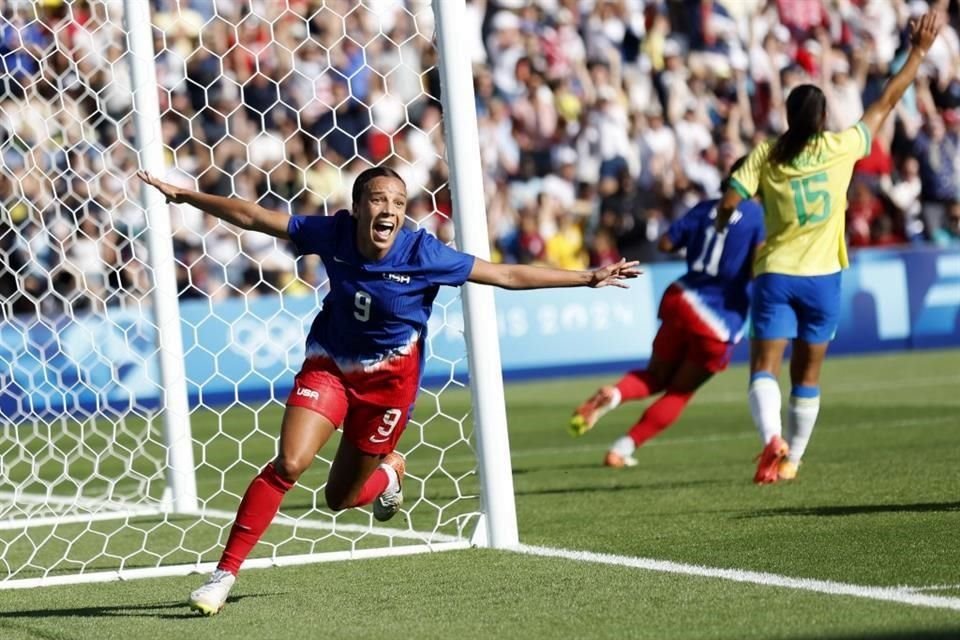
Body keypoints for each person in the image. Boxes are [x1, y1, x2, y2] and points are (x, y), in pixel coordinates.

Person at [137, 167, 640, 615]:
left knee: (341, 498)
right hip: (329, 366)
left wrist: (587, 277)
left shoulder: (423, 252)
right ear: (358, 207)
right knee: (290, 463)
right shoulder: (332, 233)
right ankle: (224, 573)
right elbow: (252, 216)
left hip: (388, 391)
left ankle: (389, 474)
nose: (390, 210)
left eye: (399, 203)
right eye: (379, 200)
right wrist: (186, 197)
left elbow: (505, 274)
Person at [714, 12, 942, 484]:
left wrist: (724, 220)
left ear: (787, 117)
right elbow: (886, 100)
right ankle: (792, 459)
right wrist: (917, 51)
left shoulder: (766, 154)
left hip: (776, 274)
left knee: (764, 367)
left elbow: (730, 199)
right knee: (809, 375)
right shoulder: (841, 147)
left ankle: (770, 441)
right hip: (824, 280)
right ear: (821, 119)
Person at [569, 158, 764, 467]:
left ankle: (615, 394)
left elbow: (666, 242)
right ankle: (621, 449)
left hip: (681, 298)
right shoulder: (759, 217)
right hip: (719, 318)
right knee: (680, 391)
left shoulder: (703, 208)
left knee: (656, 375)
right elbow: (759, 266)